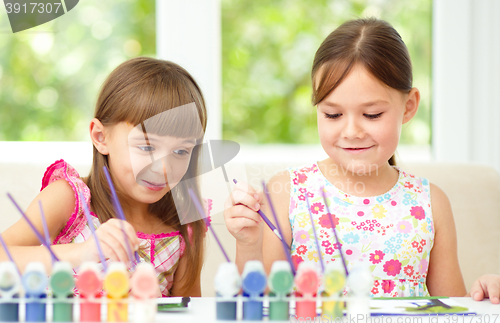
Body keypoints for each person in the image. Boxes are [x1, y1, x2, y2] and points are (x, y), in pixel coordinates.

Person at [224, 18, 472, 298]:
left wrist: (485, 298)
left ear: (409, 106)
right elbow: (257, 305)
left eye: (372, 114)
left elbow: (456, 311)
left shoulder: (430, 203)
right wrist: (248, 245)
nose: (352, 131)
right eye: (333, 115)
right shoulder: (287, 194)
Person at [1, 57, 209, 297]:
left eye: (181, 151)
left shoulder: (182, 231)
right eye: (147, 147)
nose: (164, 168)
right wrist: (81, 253)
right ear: (100, 137)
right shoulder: (70, 200)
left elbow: (191, 313)